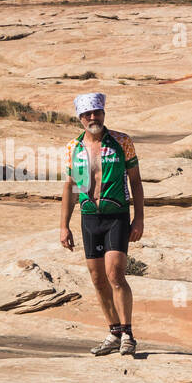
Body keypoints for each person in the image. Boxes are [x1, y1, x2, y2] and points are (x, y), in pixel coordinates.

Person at [58, 93, 145, 357]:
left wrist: (139, 218)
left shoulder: (122, 142)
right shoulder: (72, 148)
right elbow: (70, 188)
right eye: (87, 115)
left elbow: (136, 182)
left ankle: (128, 334)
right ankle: (114, 331)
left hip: (116, 215)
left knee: (115, 274)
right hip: (89, 218)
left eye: (97, 112)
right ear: (80, 118)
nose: (93, 118)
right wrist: (64, 225)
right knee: (97, 280)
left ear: (104, 114)